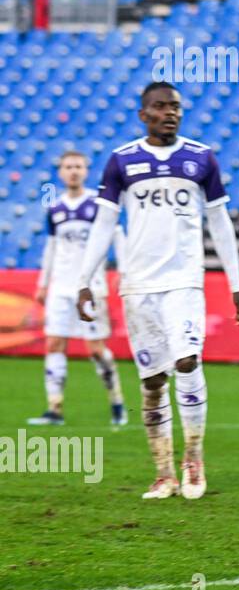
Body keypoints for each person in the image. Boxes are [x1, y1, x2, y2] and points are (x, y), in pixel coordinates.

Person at [77, 82, 239, 499]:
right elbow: (104, 223)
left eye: (175, 107)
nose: (170, 113)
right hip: (138, 285)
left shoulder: (200, 158)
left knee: (188, 361)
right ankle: (163, 473)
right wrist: (84, 279)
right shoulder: (122, 161)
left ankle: (193, 459)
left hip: (184, 281)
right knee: (153, 380)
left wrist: (237, 285)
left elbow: (220, 223)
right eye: (161, 107)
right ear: (144, 115)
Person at [28, 150, 127, 427]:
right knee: (54, 343)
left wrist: (122, 269)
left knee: (96, 349)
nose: (73, 171)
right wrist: (43, 283)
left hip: (90, 286)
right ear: (61, 172)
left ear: (86, 171)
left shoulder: (98, 205)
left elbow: (118, 235)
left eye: (78, 166)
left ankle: (117, 402)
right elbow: (51, 247)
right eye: (68, 166)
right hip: (60, 286)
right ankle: (54, 408)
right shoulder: (55, 208)